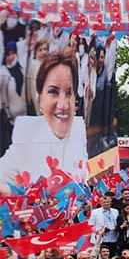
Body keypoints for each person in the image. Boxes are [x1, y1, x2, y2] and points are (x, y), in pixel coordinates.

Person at [0, 52, 87, 193]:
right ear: (40, 98)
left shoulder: (80, 132)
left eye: (69, 92)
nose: (63, 104)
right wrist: (23, 195)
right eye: (53, 91)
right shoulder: (26, 137)